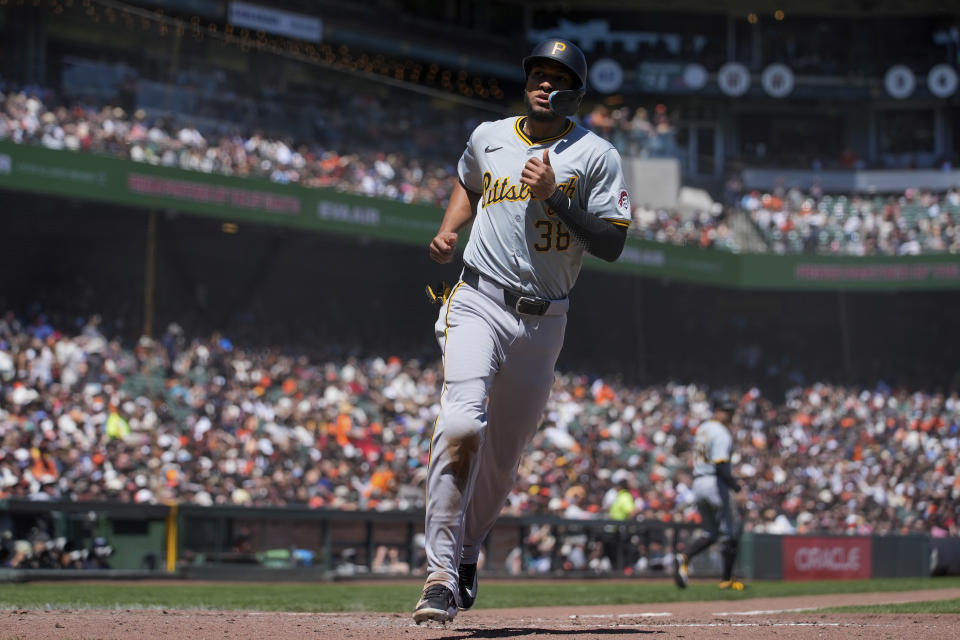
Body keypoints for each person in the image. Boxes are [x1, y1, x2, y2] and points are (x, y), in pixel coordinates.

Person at [413, 38, 632, 624]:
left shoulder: (596, 155)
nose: (544, 82)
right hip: (478, 296)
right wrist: (447, 229)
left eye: (557, 77)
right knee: (461, 421)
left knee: (504, 458)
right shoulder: (489, 136)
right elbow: (469, 179)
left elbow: (612, 243)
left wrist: (555, 196)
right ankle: (437, 573)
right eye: (537, 72)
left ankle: (464, 554)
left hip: (545, 319)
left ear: (575, 94)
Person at [674, 395, 745, 590]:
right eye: (727, 412)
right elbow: (721, 465)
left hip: (698, 483)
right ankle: (727, 580)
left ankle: (685, 556)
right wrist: (737, 488)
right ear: (719, 411)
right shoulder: (721, 432)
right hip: (715, 482)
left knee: (710, 533)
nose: (730, 416)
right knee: (730, 532)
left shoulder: (703, 428)